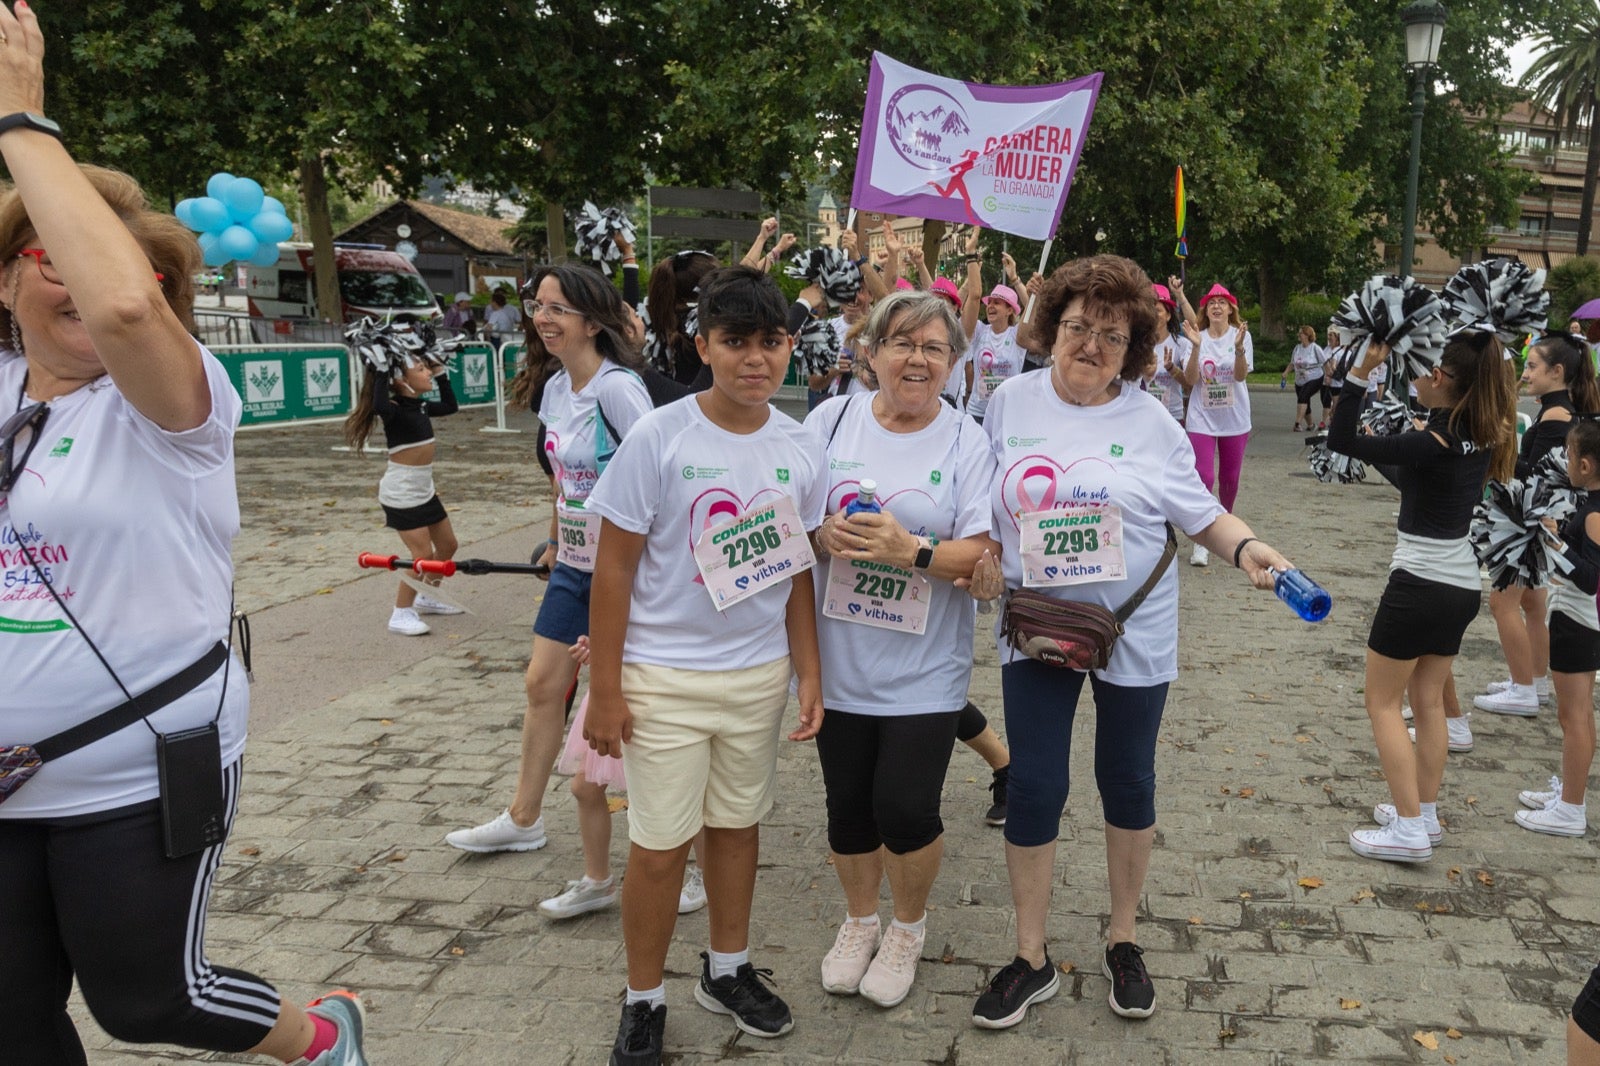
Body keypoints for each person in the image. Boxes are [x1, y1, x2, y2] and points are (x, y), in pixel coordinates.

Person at [0, 7, 367, 1064]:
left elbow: (120, 311)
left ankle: (321, 1035)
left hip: (136, 765)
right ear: (10, 278)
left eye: (120, 262)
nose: (79, 277)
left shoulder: (176, 406)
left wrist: (23, 118)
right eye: (48, 253)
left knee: (149, 1004)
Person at [963, 255, 1293, 1030]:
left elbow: (1201, 509)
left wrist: (1250, 551)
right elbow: (980, 502)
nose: (1092, 345)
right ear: (1051, 328)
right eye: (1078, 326)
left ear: (1136, 345)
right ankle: (1031, 955)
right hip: (1038, 626)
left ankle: (1123, 939)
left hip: (1133, 632)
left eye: (1113, 334)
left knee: (1129, 782)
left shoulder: (1149, 419)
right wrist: (979, 557)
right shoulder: (1009, 401)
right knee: (1037, 785)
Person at [583, 266, 825, 1065]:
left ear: (790, 345)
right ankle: (643, 998)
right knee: (659, 847)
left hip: (756, 679)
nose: (755, 359)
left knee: (736, 828)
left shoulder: (800, 445)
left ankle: (726, 969)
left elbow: (796, 572)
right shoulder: (662, 435)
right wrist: (605, 689)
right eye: (736, 342)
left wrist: (807, 674)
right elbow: (612, 568)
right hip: (663, 680)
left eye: (770, 341)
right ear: (703, 346)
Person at [805, 290, 999, 1008]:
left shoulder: (965, 439)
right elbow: (789, 516)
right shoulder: (830, 420)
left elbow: (979, 553)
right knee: (848, 807)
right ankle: (860, 923)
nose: (917, 359)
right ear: (872, 351)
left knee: (906, 809)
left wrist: (909, 549)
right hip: (840, 660)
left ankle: (908, 928)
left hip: (925, 669)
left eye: (934, 348)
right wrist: (822, 534)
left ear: (953, 362)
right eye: (902, 343)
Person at [445, 266, 656, 859]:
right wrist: (556, 541)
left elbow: (655, 481)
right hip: (574, 564)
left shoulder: (618, 390)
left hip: (626, 570)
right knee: (543, 684)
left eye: (557, 308)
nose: (542, 318)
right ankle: (523, 817)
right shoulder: (557, 388)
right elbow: (563, 479)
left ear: (593, 321)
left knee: (629, 706)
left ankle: (667, 845)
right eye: (538, 306)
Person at [1326, 330, 1516, 863]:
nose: (1415, 378)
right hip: (1459, 585)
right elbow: (1414, 479)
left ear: (1440, 378)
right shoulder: (1476, 434)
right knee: (1428, 704)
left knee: (1382, 704)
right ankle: (1423, 813)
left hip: (1418, 586)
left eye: (1423, 370)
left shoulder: (1435, 440)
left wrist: (1360, 374)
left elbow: (1341, 439)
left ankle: (1408, 829)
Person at [1475, 334, 1599, 717]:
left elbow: (1537, 477)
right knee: (1530, 601)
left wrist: (1497, 444)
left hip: (1536, 522)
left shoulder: (1557, 416)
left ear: (1557, 372)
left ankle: (1524, 689)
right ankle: (1534, 682)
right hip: (1538, 519)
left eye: (1532, 366)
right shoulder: (1556, 410)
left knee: (1502, 602)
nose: (1525, 373)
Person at [343, 323, 461, 636]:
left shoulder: (420, 404)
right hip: (402, 491)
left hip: (424, 488)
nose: (426, 371)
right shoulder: (393, 408)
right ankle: (400, 613)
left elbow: (451, 406)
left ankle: (428, 596)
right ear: (401, 381)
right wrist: (382, 368)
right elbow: (379, 403)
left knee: (448, 545)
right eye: (420, 368)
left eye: (425, 367)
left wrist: (440, 371)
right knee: (421, 556)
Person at [1516, 418, 1600, 837]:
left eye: (1568, 455)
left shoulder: (1593, 514)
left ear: (1585, 465)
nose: (1563, 461)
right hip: (1574, 618)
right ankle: (1572, 791)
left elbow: (1590, 578)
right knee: (1579, 714)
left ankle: (1570, 809)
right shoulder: (1589, 503)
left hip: (1577, 620)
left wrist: (1556, 542)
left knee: (1575, 715)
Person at [1174, 282, 1253, 566]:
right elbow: (1191, 380)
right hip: (1201, 419)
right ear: (1205, 310)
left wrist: (1240, 349)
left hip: (1234, 419)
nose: (1217, 306)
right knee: (1204, 477)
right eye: (1211, 303)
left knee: (1229, 480)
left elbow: (1241, 377)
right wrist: (1196, 348)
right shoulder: (1196, 337)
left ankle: (1223, 532)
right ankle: (1202, 539)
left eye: (1222, 302)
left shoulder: (1241, 336)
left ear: (1231, 309)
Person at [958, 228, 1024, 423]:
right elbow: (972, 299)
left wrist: (1015, 280)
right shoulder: (979, 331)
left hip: (1007, 414)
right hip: (977, 413)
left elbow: (1032, 313)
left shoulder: (1016, 336)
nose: (991, 306)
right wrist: (971, 262)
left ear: (1010, 310)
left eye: (997, 302)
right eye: (990, 302)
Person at [1145, 283, 1189, 426]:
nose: (1152, 315)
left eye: (1157, 310)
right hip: (1142, 416)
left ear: (1169, 315)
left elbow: (1190, 385)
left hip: (1172, 418)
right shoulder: (1136, 345)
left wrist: (1172, 369)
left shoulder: (1181, 344)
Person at [1281, 325, 1327, 431]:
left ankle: (1297, 423)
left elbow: (1325, 363)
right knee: (1304, 400)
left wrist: (1328, 376)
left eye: (1301, 333)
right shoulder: (1297, 348)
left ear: (1307, 335)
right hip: (1300, 379)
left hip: (1315, 377)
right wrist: (1286, 372)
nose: (1299, 335)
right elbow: (1292, 363)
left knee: (1303, 396)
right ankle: (1311, 425)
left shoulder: (1315, 348)